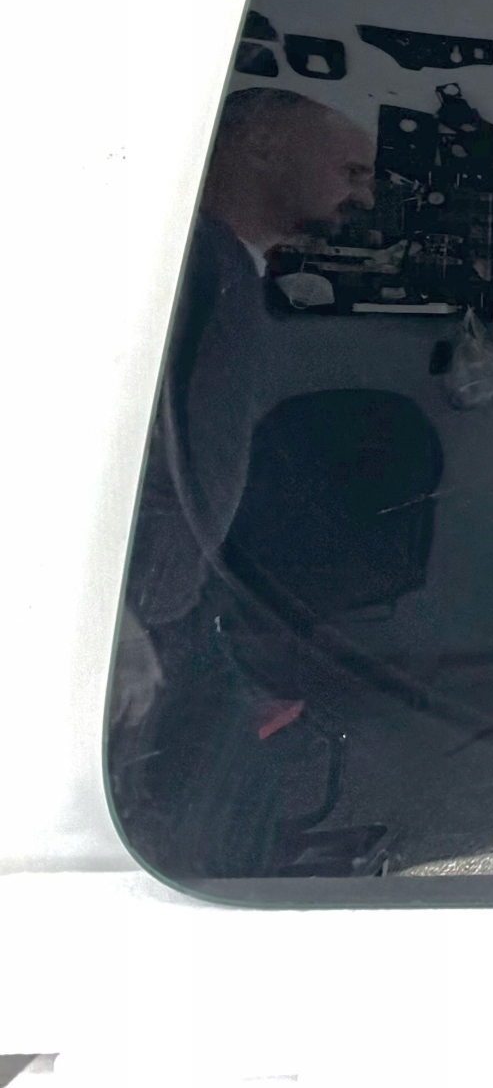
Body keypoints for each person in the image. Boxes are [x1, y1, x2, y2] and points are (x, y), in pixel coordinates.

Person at [112, 86, 376, 875]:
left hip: (179, 600)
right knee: (189, 821)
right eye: (351, 170)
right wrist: (122, 617)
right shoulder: (189, 267)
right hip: (143, 611)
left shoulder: (228, 267)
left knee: (222, 797)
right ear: (260, 146)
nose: (364, 195)